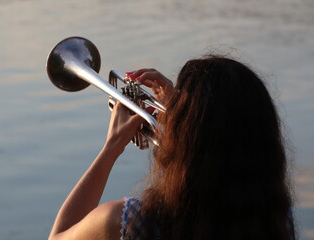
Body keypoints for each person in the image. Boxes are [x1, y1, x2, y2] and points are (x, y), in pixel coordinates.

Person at [48, 56, 296, 240]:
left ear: (189, 138)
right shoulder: (275, 220)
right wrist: (186, 115)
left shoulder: (133, 221)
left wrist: (111, 147)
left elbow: (57, 237)